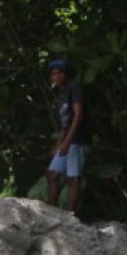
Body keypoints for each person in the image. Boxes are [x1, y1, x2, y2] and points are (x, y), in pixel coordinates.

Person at [45, 57, 89, 215]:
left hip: (78, 139)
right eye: (53, 74)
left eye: (60, 73)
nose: (57, 77)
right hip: (68, 139)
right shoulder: (62, 92)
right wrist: (59, 143)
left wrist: (67, 143)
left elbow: (78, 115)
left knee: (73, 177)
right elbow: (66, 122)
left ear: (66, 74)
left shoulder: (74, 87)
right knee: (52, 174)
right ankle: (51, 210)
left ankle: (70, 214)